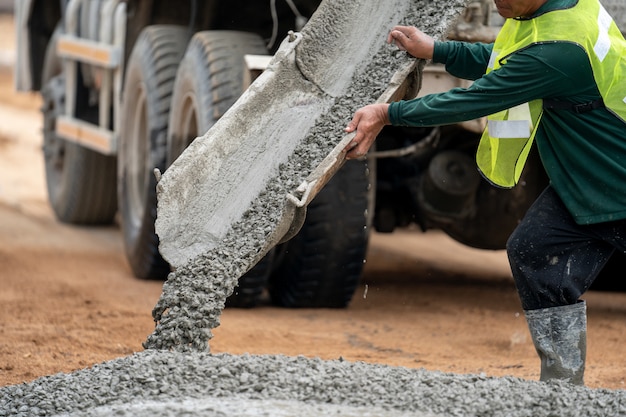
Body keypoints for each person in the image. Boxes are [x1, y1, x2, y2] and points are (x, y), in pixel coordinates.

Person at [344, 0, 626, 385]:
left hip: (616, 182)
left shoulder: (560, 51)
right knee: (534, 250)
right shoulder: (561, 14)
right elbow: (509, 56)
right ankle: (562, 388)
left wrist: (388, 114)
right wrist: (437, 50)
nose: (496, 2)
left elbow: (478, 97)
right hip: (590, 181)